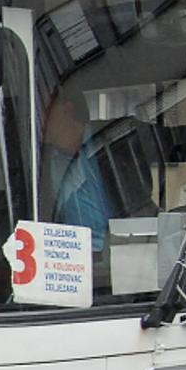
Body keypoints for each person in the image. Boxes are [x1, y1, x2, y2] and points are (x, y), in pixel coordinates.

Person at [40, 91, 112, 251]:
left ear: (66, 110)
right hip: (75, 263)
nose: (37, 120)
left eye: (42, 111)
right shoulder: (43, 163)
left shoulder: (110, 142)